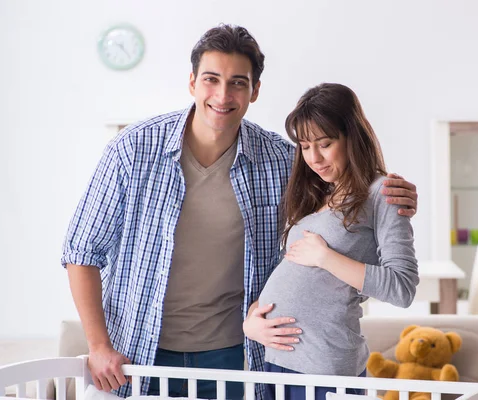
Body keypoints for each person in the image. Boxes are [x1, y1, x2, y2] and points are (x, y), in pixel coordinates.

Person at [61, 25, 419, 400]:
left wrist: (395, 196)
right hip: (138, 350)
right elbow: (82, 253)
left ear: (255, 90)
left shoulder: (282, 160)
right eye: (211, 80)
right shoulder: (132, 150)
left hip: (234, 355)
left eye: (237, 83)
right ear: (192, 83)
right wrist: (99, 345)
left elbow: (348, 194)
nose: (222, 95)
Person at [245, 83, 419, 400]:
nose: (314, 157)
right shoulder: (317, 194)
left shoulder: (382, 192)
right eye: (305, 146)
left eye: (325, 144)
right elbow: (295, 274)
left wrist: (325, 257)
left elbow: (402, 288)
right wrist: (251, 323)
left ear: (351, 137)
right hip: (277, 362)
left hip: (324, 368)